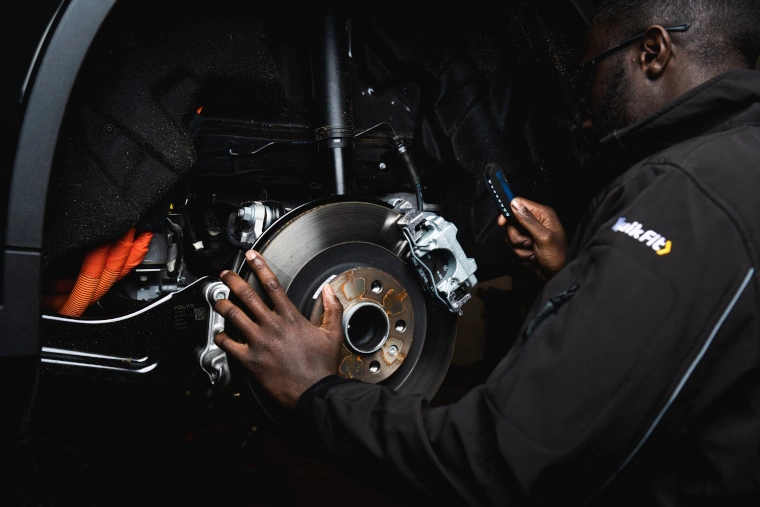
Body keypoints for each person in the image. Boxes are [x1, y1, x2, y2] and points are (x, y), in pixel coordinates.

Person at [212, 1, 760, 504]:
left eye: (587, 72)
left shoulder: (687, 195)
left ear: (653, 52)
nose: (584, 105)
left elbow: (502, 461)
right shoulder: (735, 168)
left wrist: (317, 394)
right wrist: (578, 275)